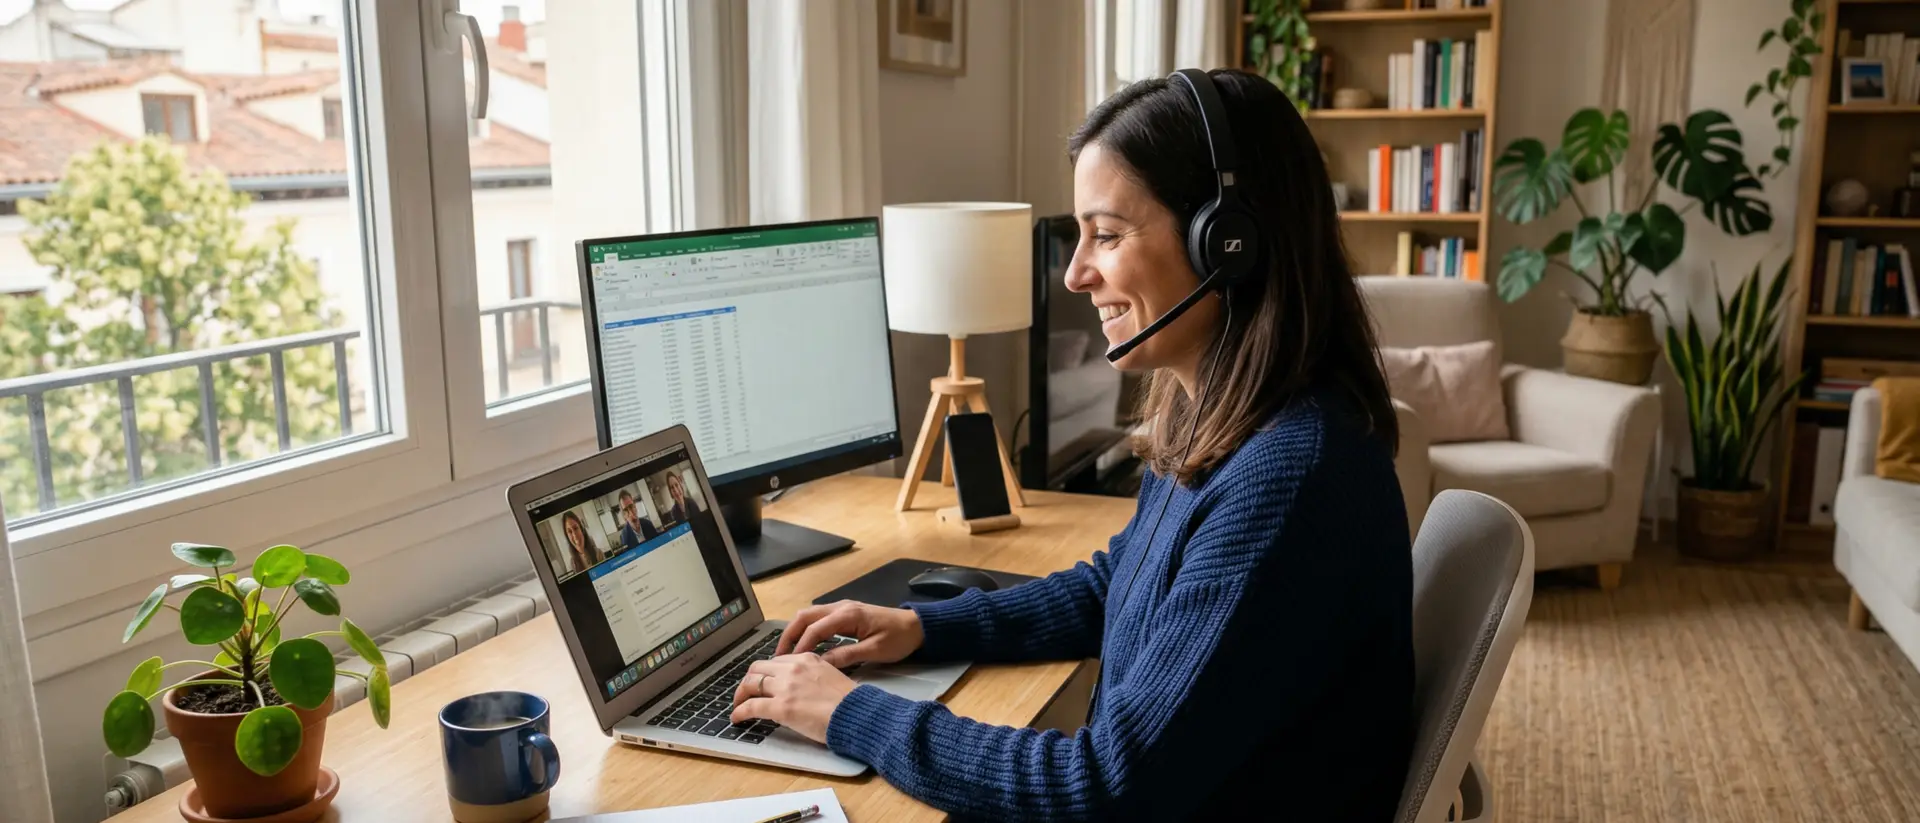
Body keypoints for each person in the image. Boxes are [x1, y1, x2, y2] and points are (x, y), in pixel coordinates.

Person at [728, 69, 1412, 821]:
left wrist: (851, 713)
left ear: (1228, 242)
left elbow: (1103, 784)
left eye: (1108, 235)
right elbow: (1122, 584)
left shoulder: (1288, 475)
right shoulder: (1227, 415)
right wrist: (925, 626)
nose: (1078, 272)